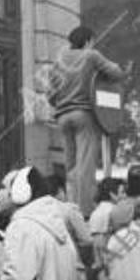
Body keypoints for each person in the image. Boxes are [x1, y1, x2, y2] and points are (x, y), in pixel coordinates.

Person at [46, 26, 127, 215]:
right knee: (86, 166)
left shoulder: (59, 62)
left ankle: (72, 207)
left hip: (63, 117)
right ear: (89, 40)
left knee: (71, 166)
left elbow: (50, 95)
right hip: (84, 115)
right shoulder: (91, 55)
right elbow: (117, 72)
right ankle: (85, 211)